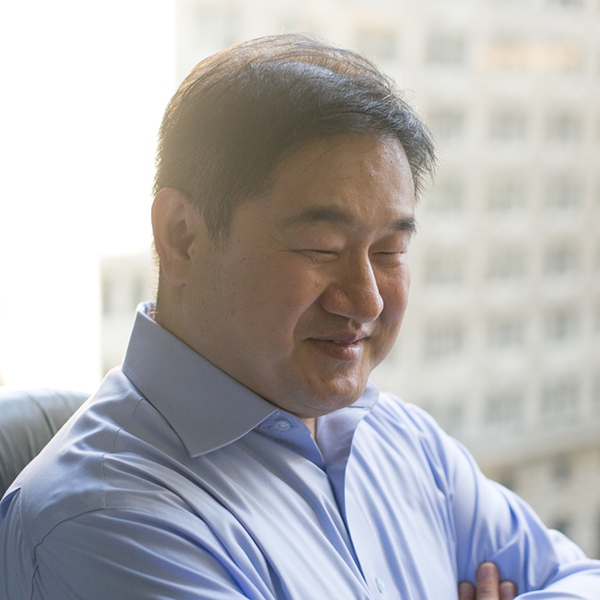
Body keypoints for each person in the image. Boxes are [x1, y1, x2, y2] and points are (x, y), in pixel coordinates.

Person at [0, 34, 598, 600]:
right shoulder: (103, 518)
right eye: (321, 248)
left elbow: (578, 575)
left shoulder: (399, 440)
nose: (367, 302)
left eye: (389, 252)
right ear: (182, 237)